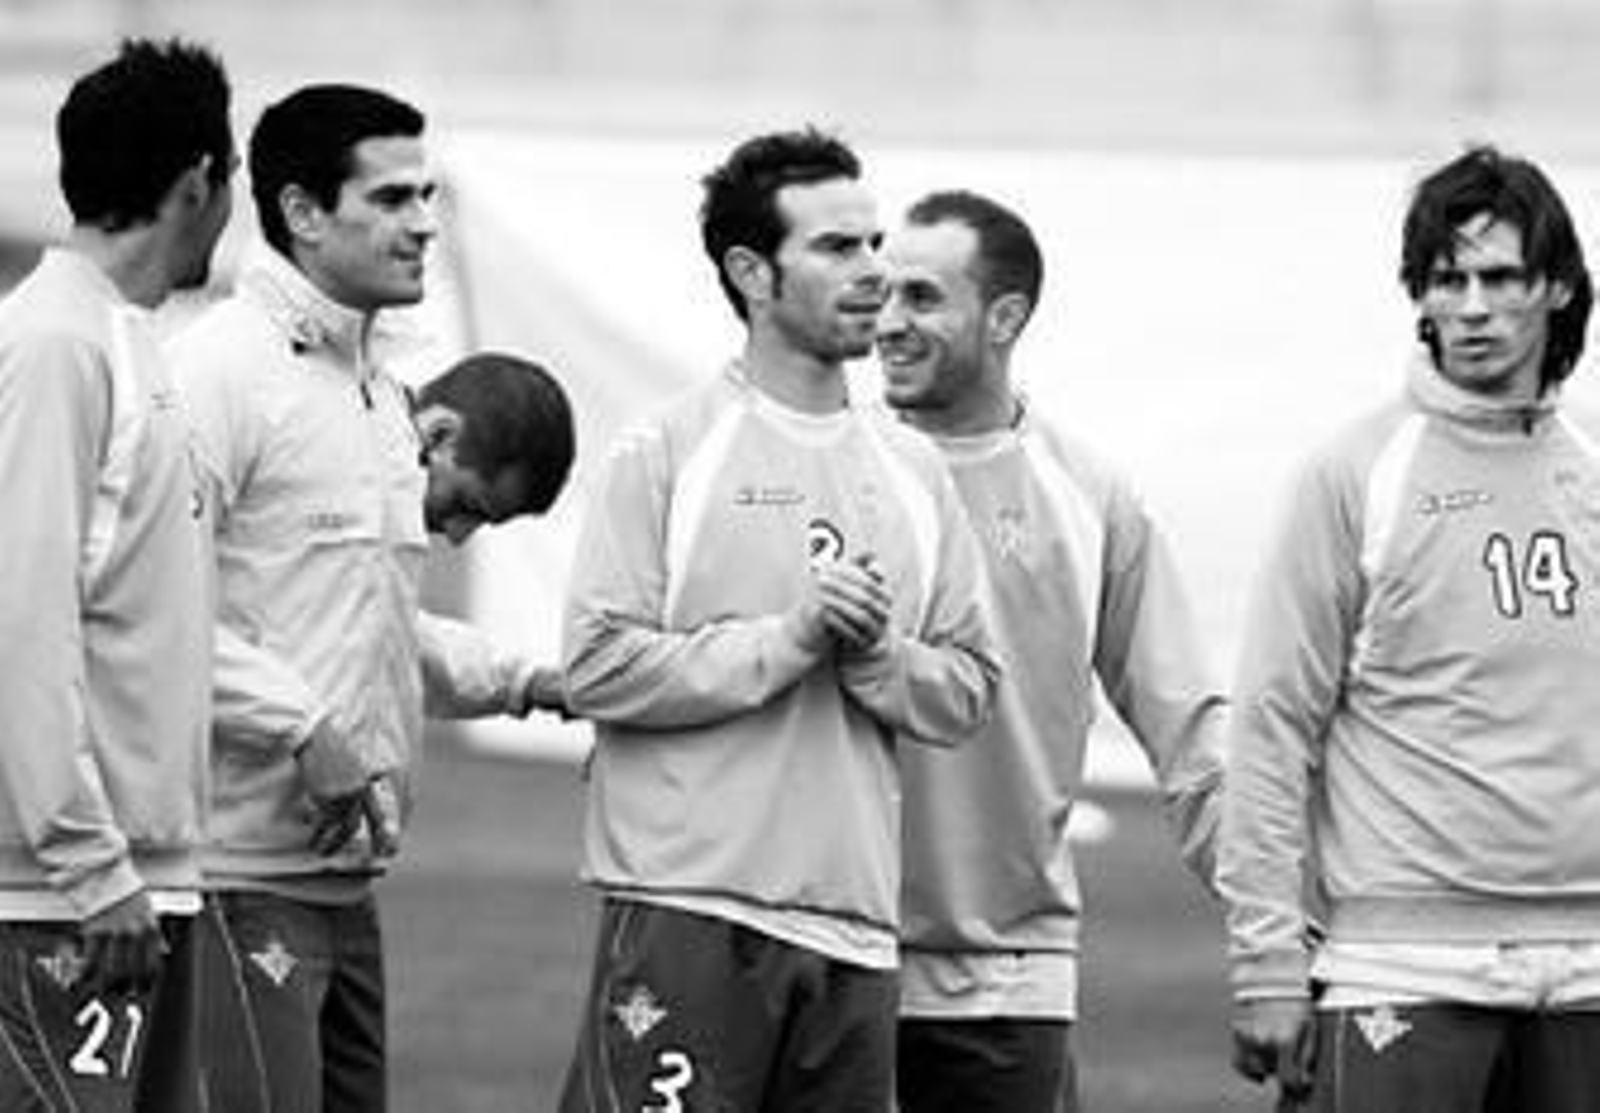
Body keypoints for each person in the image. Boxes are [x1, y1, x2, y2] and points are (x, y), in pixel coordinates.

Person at [557, 128, 1000, 1113]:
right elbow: (596, 665)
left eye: (874, 243)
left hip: (855, 931)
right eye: (836, 247)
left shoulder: (914, 470)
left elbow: (971, 687)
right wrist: (789, 640)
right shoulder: (667, 449)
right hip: (688, 911)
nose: (873, 271)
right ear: (752, 273)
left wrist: (880, 659)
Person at [167, 86, 575, 1113]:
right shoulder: (216, 370)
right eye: (392, 197)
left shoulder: (382, 397)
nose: (424, 222)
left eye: (426, 196)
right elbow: (145, 611)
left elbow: (375, 625)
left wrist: (530, 681)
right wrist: (303, 726)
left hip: (345, 885)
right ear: (303, 211)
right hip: (233, 876)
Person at [1219, 144, 1600, 1112]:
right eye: (1444, 280)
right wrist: (1267, 959)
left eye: (1500, 278)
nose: (1470, 307)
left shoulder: (1593, 468)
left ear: (1556, 288)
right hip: (1402, 965)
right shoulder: (1354, 473)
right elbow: (1270, 725)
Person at [875, 189, 1227, 1113]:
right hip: (827, 957)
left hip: (1005, 977)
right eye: (884, 293)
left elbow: (1192, 729)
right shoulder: (832, 469)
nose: (889, 322)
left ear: (1005, 318)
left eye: (922, 297)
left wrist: (1275, 923)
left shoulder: (1086, 494)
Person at [0, 37, 234, 1113]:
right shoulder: (56, 346)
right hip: (60, 894)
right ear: (199, 181)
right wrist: (90, 866)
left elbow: (153, 619)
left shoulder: (128, 342)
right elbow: (22, 614)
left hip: (140, 878)